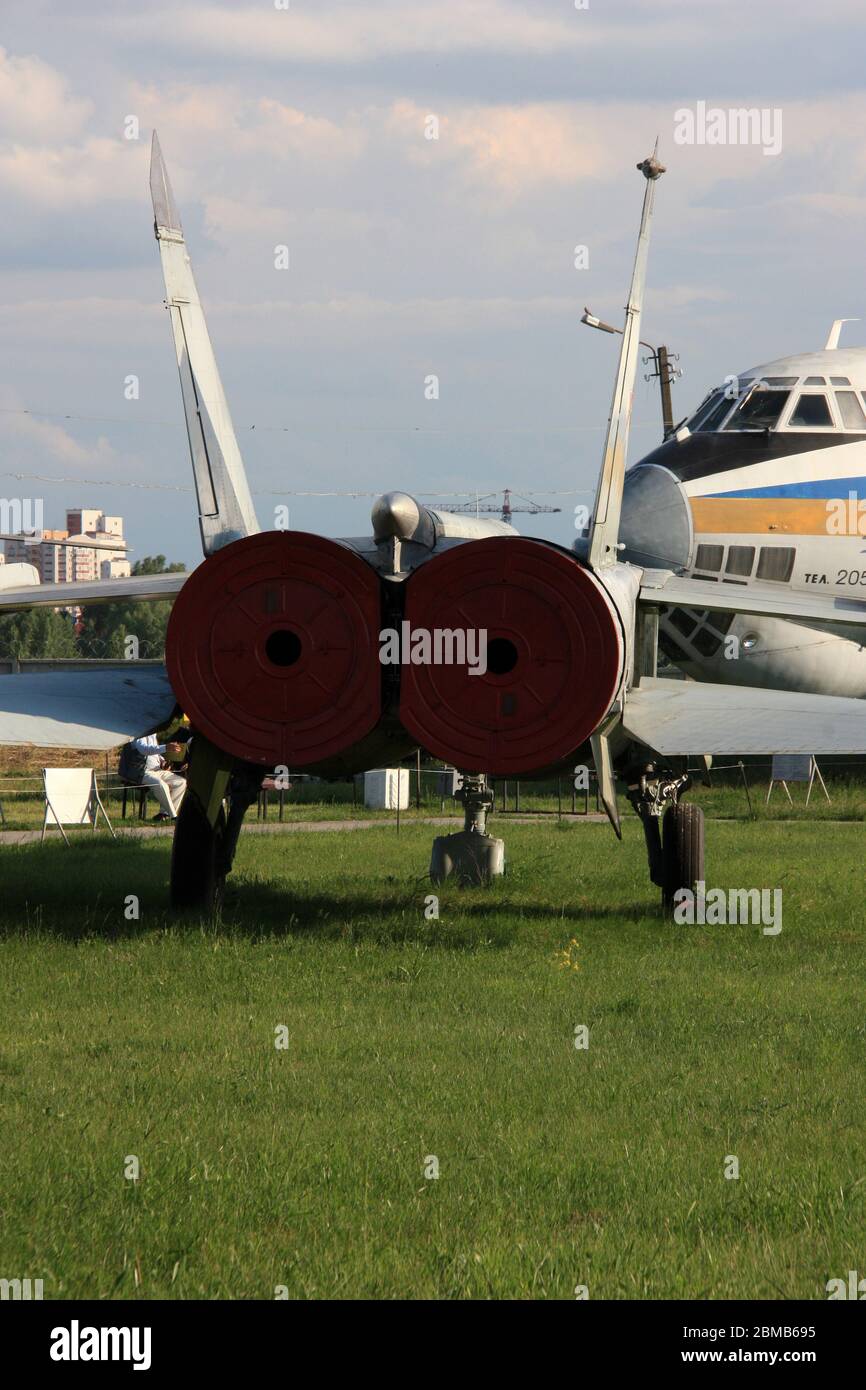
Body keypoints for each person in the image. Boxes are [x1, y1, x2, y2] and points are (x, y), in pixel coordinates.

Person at [119, 733, 187, 821]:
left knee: (181, 782)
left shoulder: (153, 735)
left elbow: (155, 754)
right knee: (161, 785)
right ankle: (174, 816)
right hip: (141, 771)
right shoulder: (137, 734)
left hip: (157, 770)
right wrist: (166, 747)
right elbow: (144, 749)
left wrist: (162, 761)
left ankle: (164, 814)